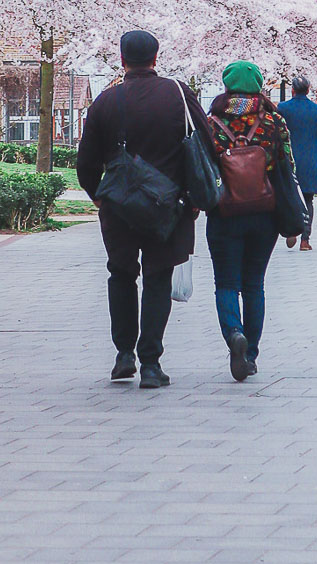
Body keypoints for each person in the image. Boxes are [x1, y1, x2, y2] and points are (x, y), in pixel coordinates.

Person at [76, 30, 210, 389]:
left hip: (119, 206)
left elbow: (85, 160)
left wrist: (97, 195)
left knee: (120, 274)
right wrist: (195, 197)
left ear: (122, 60)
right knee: (158, 277)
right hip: (170, 205)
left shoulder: (106, 101)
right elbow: (205, 144)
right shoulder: (178, 95)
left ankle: (123, 354)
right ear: (156, 57)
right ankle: (151, 362)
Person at [206, 60, 295, 380]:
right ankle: (252, 354)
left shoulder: (212, 122)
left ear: (227, 85)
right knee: (254, 284)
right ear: (258, 84)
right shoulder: (273, 121)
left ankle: (234, 335)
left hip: (224, 213)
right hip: (265, 213)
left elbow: (202, 168)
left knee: (226, 283)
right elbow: (288, 167)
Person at [277, 74, 317, 249]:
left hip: (287, 159)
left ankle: (291, 230)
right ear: (308, 90)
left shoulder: (282, 108)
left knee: (289, 196)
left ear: (292, 90)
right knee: (308, 199)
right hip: (310, 159)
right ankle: (305, 240)